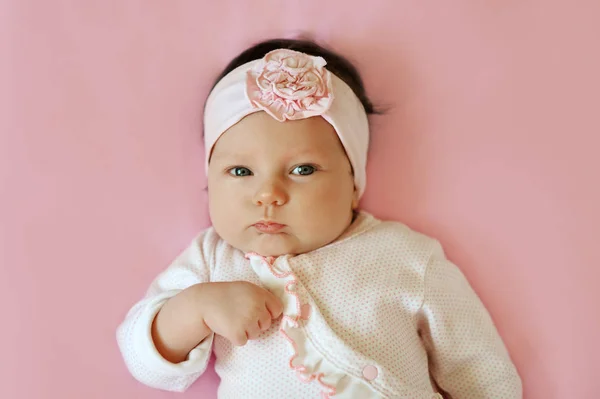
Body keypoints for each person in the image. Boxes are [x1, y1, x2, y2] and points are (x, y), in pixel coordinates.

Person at [116, 38, 522, 399]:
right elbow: (143, 358)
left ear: (353, 183)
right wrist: (194, 308)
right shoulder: (211, 261)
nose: (268, 195)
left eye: (303, 170)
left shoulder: (405, 256)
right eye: (240, 172)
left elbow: (478, 366)